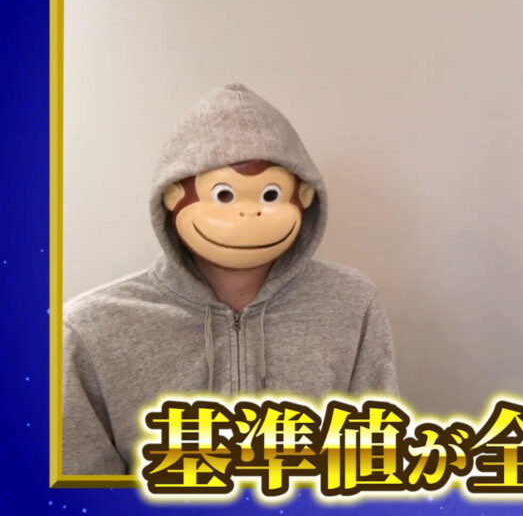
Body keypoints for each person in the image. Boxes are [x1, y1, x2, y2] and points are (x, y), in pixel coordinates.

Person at [62, 83, 399, 475]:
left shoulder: (351, 304)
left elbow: (374, 463)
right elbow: (79, 489)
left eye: (269, 195)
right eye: (224, 195)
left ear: (304, 196)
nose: (247, 213)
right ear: (173, 196)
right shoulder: (92, 329)